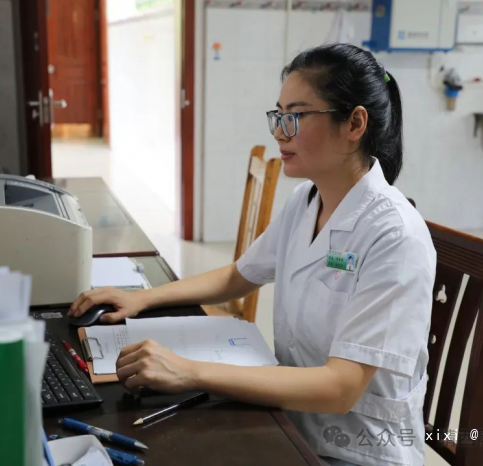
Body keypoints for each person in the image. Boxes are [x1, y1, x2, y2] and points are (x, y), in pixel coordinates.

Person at [69, 44, 436, 466]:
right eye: (278, 115)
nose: (279, 132)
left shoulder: (395, 235)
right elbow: (239, 276)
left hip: (350, 450)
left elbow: (341, 388)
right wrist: (142, 298)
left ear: (354, 123)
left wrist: (187, 371)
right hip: (288, 418)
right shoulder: (307, 200)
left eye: (295, 116)